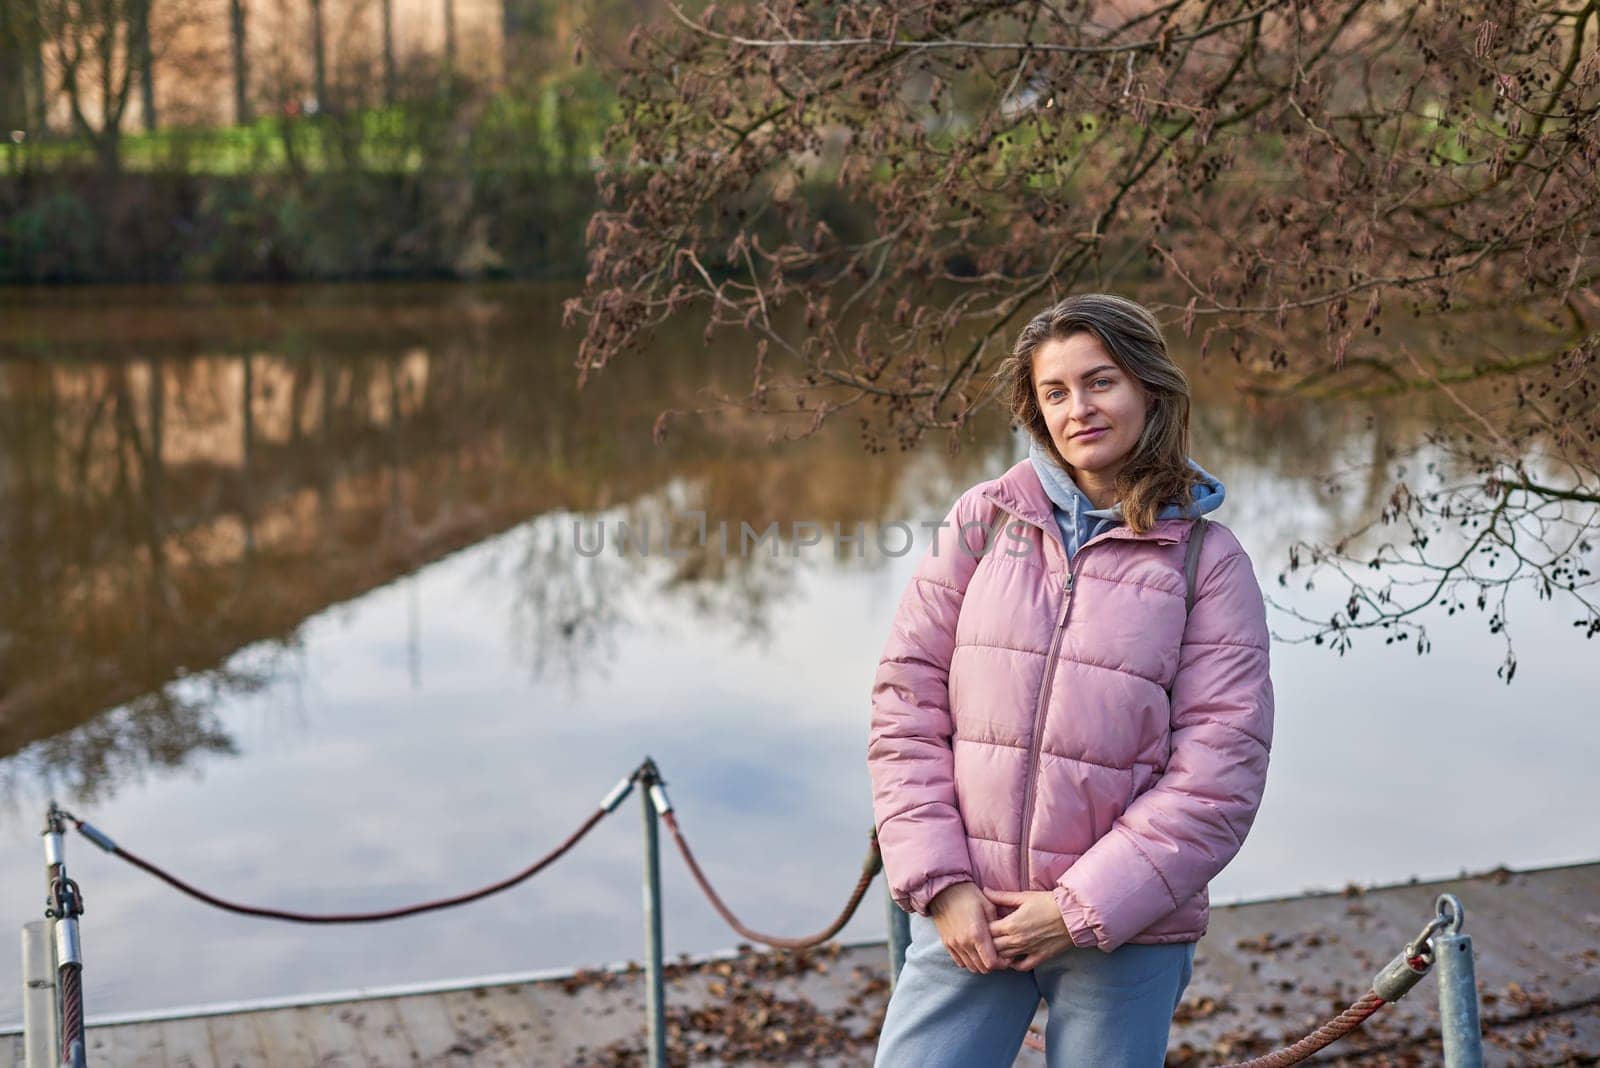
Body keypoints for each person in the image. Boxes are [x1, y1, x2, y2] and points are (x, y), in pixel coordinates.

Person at [866, 293, 1275, 1066]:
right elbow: (904, 708)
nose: (1077, 408)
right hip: (970, 916)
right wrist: (940, 882)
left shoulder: (1207, 564)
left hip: (1125, 933)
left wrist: (1079, 909)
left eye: (1101, 382)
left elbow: (1220, 778)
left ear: (1149, 390)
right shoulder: (983, 522)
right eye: (1055, 392)